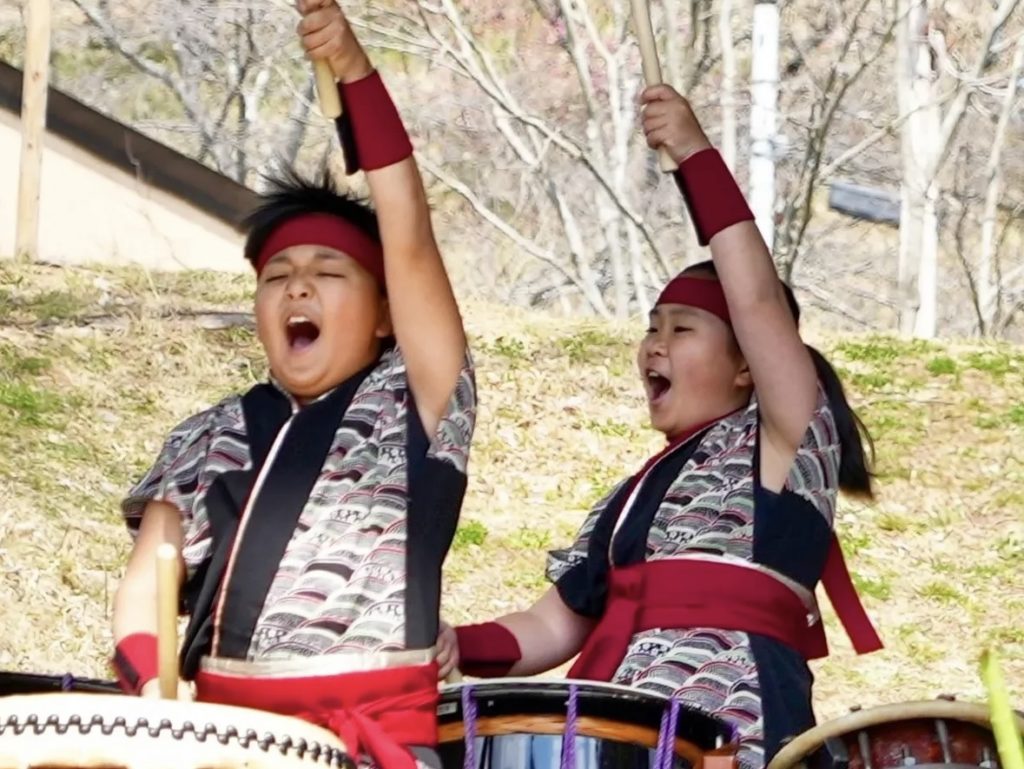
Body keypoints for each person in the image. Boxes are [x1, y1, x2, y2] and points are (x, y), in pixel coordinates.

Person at [438, 84, 882, 769]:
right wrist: (449, 642)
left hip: (736, 734)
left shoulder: (787, 443)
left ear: (746, 367)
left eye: (680, 328)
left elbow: (758, 298)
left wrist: (694, 155)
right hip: (611, 736)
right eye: (650, 327)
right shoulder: (625, 504)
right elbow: (551, 624)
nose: (653, 344)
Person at [110, 3, 475, 768]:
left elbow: (408, 232)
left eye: (328, 273)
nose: (297, 289)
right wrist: (152, 686)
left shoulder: (420, 399)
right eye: (277, 276)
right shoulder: (206, 434)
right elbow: (150, 577)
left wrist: (355, 73)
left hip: (377, 728)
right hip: (226, 734)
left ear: (384, 314)